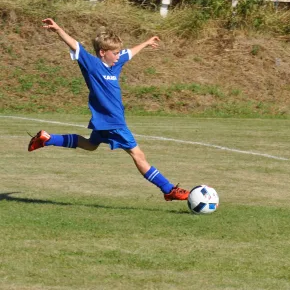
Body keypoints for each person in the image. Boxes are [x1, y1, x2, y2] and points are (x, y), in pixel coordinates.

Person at [28, 18, 190, 202]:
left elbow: (129, 53)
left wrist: (145, 43)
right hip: (114, 123)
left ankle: (48, 139)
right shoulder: (92, 64)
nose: (118, 56)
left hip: (103, 122)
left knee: (90, 145)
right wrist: (58, 30)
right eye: (115, 53)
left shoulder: (116, 64)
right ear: (103, 53)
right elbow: (75, 45)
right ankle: (168, 190)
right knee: (138, 155)